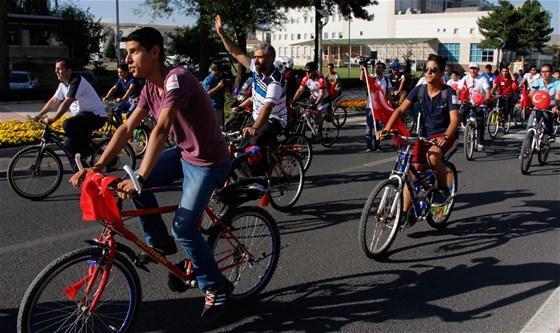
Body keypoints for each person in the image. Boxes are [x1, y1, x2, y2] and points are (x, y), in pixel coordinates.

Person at [69, 27, 232, 321]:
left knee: (184, 228)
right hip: (185, 154)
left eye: (133, 51)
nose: (128, 59)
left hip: (209, 161)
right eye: (127, 52)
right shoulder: (148, 88)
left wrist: (140, 177)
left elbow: (161, 128)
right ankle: (160, 241)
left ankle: (215, 286)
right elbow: (126, 128)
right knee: (129, 183)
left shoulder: (176, 79)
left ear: (154, 52)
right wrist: (98, 166)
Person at [378, 54, 460, 226]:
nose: (429, 72)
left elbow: (454, 120)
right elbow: (400, 110)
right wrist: (386, 129)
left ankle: (443, 189)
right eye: (426, 69)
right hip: (424, 135)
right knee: (412, 173)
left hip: (444, 135)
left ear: (441, 73)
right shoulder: (420, 90)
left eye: (433, 70)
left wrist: (445, 137)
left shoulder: (448, 93)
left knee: (433, 156)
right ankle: (405, 214)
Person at [215, 15, 287, 167]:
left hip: (274, 119)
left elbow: (267, 108)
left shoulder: (275, 81)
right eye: (254, 57)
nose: (256, 60)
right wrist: (222, 33)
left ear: (270, 59)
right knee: (239, 147)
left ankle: (262, 182)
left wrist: (255, 127)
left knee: (254, 145)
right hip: (257, 115)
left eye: (260, 57)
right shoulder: (256, 68)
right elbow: (236, 52)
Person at [34, 58, 106, 165]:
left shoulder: (77, 81)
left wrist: (53, 118)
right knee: (68, 145)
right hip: (82, 117)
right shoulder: (63, 84)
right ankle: (79, 169)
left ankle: (99, 156)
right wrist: (39, 114)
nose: (56, 71)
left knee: (67, 124)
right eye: (55, 69)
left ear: (69, 70)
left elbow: (67, 102)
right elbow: (54, 100)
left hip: (96, 116)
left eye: (59, 69)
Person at [458, 62, 491, 151]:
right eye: (471, 68)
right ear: (469, 69)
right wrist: (457, 97)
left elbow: (487, 90)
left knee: (480, 121)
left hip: (479, 103)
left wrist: (487, 98)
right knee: (462, 112)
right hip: (468, 101)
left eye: (475, 68)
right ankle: (465, 125)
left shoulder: (482, 78)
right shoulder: (465, 78)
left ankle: (480, 141)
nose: (473, 70)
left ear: (478, 70)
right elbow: (459, 89)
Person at [360, 61, 392, 152]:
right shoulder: (372, 78)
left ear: (383, 69)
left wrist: (391, 103)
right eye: (377, 67)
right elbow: (362, 78)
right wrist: (363, 69)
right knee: (369, 126)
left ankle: (377, 144)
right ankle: (369, 145)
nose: (377, 69)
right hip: (371, 106)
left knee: (378, 126)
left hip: (381, 107)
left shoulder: (386, 79)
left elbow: (389, 92)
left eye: (380, 68)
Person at [293, 61, 332, 133]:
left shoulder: (321, 79)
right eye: (306, 71)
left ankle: (319, 132)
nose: (307, 73)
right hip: (314, 96)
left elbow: (321, 94)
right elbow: (300, 90)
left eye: (309, 71)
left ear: (314, 71)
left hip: (324, 98)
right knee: (307, 113)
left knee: (318, 113)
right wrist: (294, 99)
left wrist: (315, 104)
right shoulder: (306, 78)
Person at [529, 64, 560, 139]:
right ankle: (529, 135)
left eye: (547, 71)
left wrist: (556, 107)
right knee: (532, 117)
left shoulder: (557, 83)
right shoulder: (538, 81)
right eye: (542, 72)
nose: (544, 74)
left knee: (546, 115)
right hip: (539, 104)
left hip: (552, 103)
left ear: (551, 72)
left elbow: (558, 95)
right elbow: (532, 92)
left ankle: (549, 133)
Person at [202, 63, 226, 128]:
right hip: (213, 107)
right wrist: (218, 87)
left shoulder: (219, 78)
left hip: (219, 106)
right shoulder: (208, 80)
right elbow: (207, 94)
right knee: (214, 128)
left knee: (220, 128)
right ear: (214, 70)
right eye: (219, 70)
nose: (220, 72)